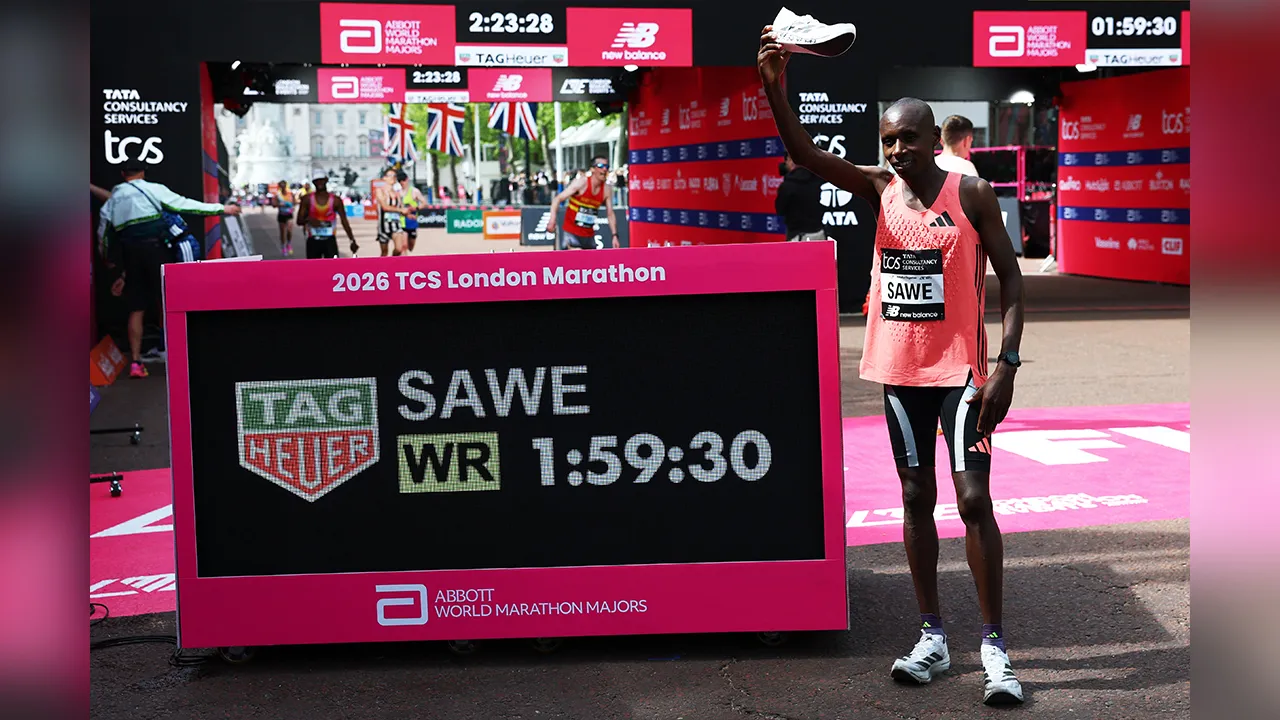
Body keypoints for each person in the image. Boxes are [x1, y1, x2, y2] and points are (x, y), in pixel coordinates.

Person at [759, 27, 1027, 706]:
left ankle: (994, 645)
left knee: (973, 499)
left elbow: (1012, 279)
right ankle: (932, 635)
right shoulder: (879, 188)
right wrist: (774, 86)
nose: (897, 150)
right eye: (887, 141)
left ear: (934, 139)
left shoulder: (970, 193)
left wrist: (1007, 365)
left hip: (963, 374)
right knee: (914, 496)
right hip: (900, 373)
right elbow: (803, 154)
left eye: (908, 138)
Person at [98, 159, 241, 378]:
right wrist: (223, 208)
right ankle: (178, 355)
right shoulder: (153, 189)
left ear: (123, 174)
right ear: (143, 173)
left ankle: (135, 363)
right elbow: (185, 205)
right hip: (158, 252)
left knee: (136, 309)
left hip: (131, 256)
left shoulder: (113, 200)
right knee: (168, 302)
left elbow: (104, 236)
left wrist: (108, 260)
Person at [547, 156, 617, 250]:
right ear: (592, 169)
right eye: (601, 166)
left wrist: (614, 235)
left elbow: (610, 214)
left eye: (606, 166)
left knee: (592, 259)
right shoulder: (582, 182)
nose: (604, 169)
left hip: (589, 235)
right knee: (572, 258)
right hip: (571, 233)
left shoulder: (606, 189)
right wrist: (552, 220)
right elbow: (557, 199)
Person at [295, 172, 358, 259]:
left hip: (330, 240)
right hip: (313, 240)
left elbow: (344, 221)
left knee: (333, 267)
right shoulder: (307, 199)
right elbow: (299, 221)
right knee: (313, 267)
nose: (319, 183)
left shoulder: (336, 200)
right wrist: (309, 220)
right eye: (317, 181)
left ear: (326, 180)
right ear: (313, 182)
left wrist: (352, 240)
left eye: (321, 180)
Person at [775, 153, 826, 242]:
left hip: (797, 236)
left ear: (791, 161)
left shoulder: (787, 185)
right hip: (818, 234)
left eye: (787, 160)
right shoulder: (817, 180)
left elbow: (780, 210)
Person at [374, 167, 407, 256]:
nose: (393, 178)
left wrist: (407, 213)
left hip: (396, 224)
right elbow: (385, 207)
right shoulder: (380, 191)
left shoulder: (397, 193)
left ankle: (392, 260)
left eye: (394, 176)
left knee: (399, 249)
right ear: (384, 178)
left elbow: (402, 209)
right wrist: (400, 210)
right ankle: (386, 264)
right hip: (383, 225)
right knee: (384, 252)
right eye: (390, 175)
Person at [397, 170, 428, 254]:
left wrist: (416, 208)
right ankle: (405, 261)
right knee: (404, 246)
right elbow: (398, 207)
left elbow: (424, 203)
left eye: (403, 180)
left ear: (407, 179)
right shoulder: (398, 193)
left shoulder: (414, 191)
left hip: (412, 221)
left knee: (411, 246)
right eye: (399, 181)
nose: (402, 182)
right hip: (402, 221)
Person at [275, 180, 295, 256]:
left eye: (284, 185)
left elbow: (294, 202)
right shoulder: (278, 194)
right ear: (280, 186)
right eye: (281, 185)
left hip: (289, 215)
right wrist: (280, 204)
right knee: (282, 232)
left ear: (286, 185)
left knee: (289, 231)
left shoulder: (290, 193)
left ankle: (288, 244)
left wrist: (292, 206)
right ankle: (283, 246)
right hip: (281, 215)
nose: (283, 187)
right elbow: (274, 204)